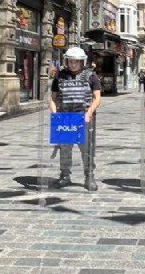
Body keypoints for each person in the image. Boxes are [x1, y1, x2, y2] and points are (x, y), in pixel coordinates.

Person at [48, 46, 102, 191]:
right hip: (65, 117)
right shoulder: (60, 76)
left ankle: (89, 175)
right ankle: (65, 176)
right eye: (70, 61)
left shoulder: (90, 75)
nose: (72, 64)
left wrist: (89, 113)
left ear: (82, 62)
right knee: (65, 148)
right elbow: (52, 98)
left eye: (76, 62)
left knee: (86, 149)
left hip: (83, 117)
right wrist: (55, 115)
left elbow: (97, 98)